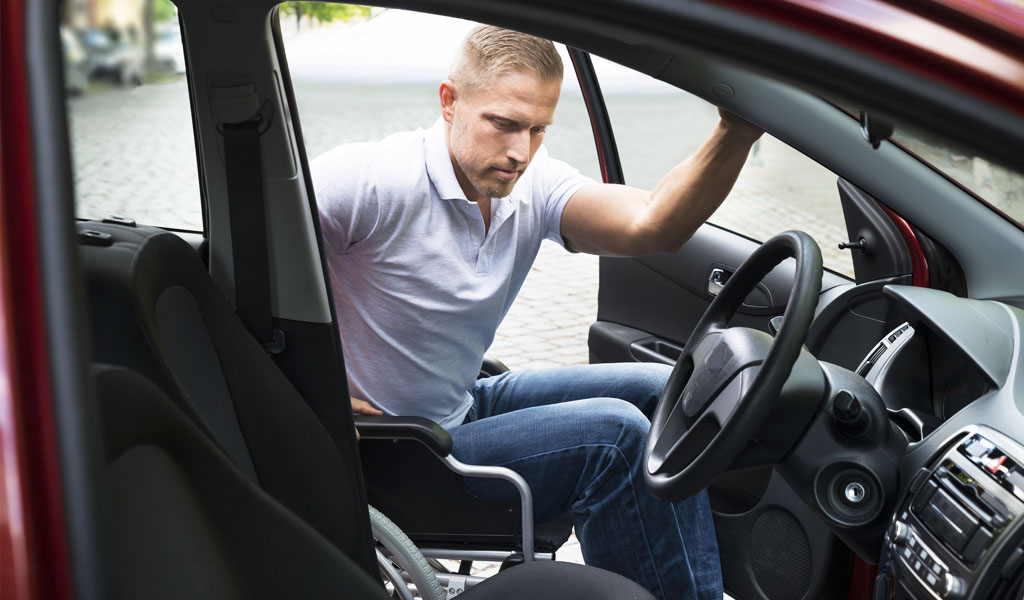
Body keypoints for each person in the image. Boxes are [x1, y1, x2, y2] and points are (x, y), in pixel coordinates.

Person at [312, 25, 762, 600]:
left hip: (460, 404)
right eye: (502, 124)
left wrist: (738, 130)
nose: (520, 151)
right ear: (450, 102)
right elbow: (232, 277)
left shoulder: (531, 186)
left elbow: (653, 222)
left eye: (538, 129)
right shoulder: (367, 182)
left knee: (663, 389)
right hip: (397, 454)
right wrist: (307, 398)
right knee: (616, 440)